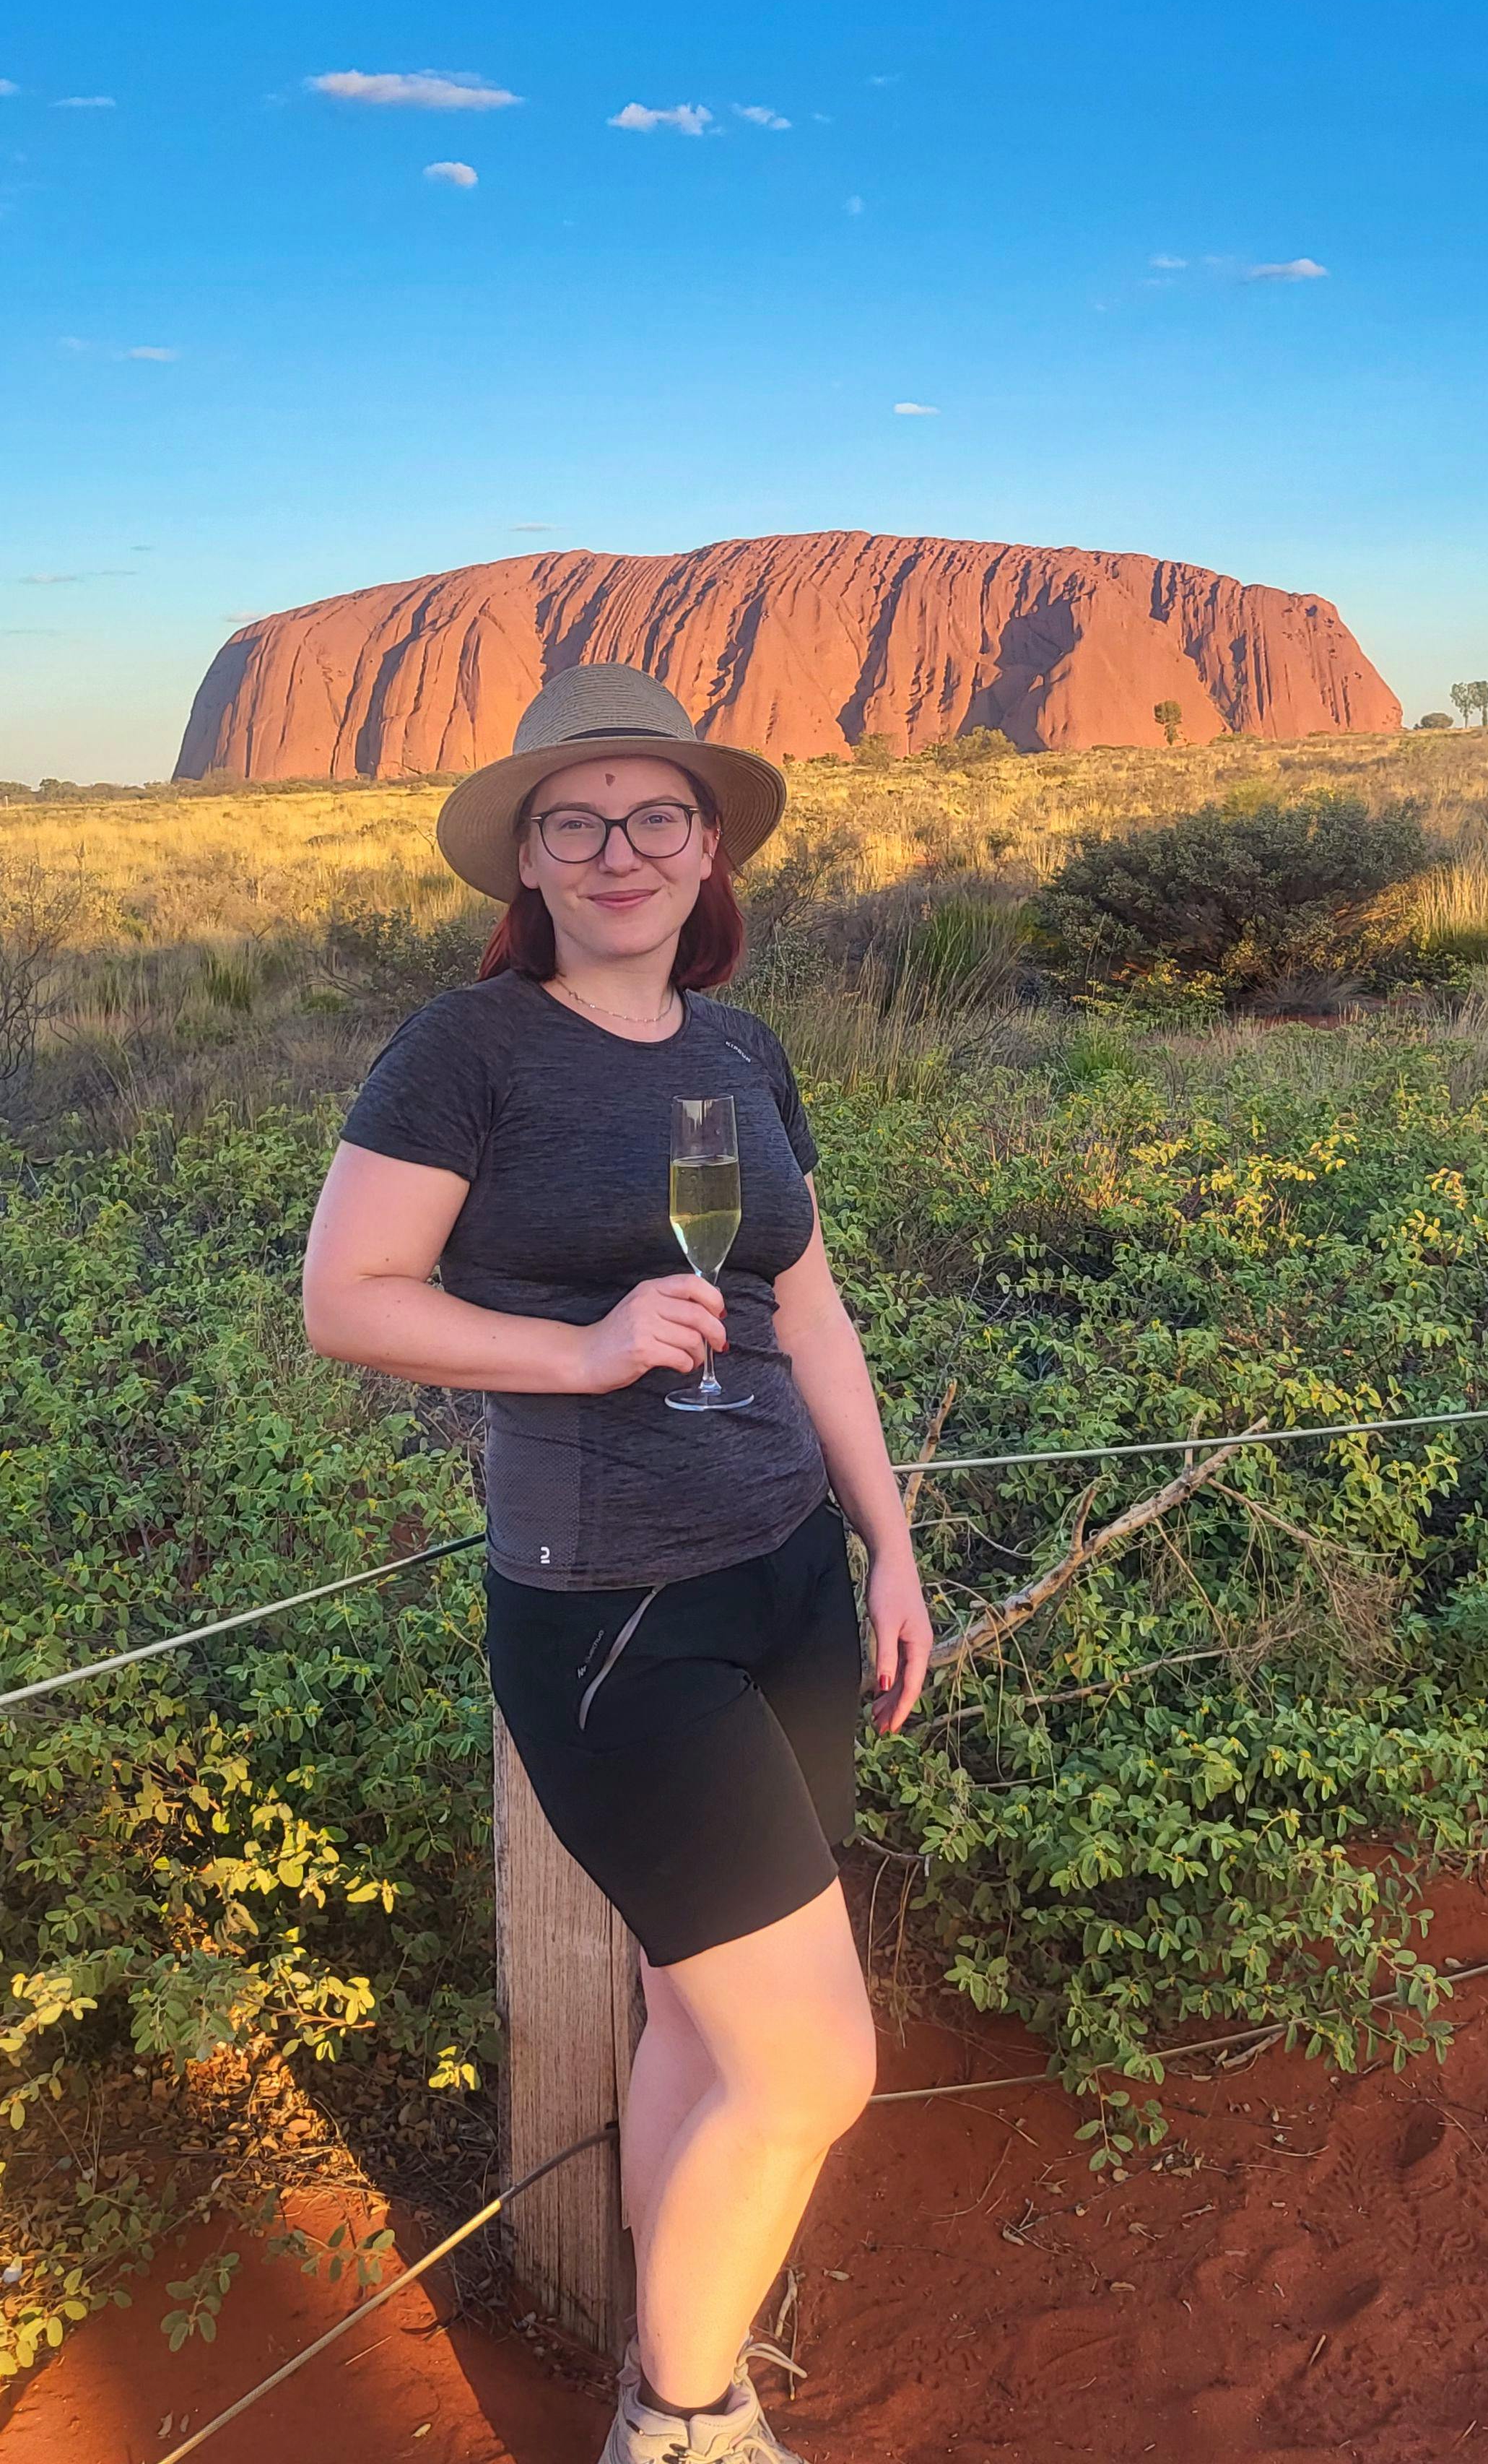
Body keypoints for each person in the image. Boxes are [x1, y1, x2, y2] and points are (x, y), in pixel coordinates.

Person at [303, 661, 935, 2464]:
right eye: (572, 822)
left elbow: (806, 1305)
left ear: (708, 842)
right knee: (813, 2064)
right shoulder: (469, 1048)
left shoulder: (740, 1049)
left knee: (696, 2009)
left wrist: (886, 1542)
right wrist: (581, 1350)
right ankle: (682, 2417)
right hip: (610, 1611)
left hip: (784, 1574)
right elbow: (346, 1296)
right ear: (526, 860)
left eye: (657, 813)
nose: (617, 848)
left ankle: (672, 2336)